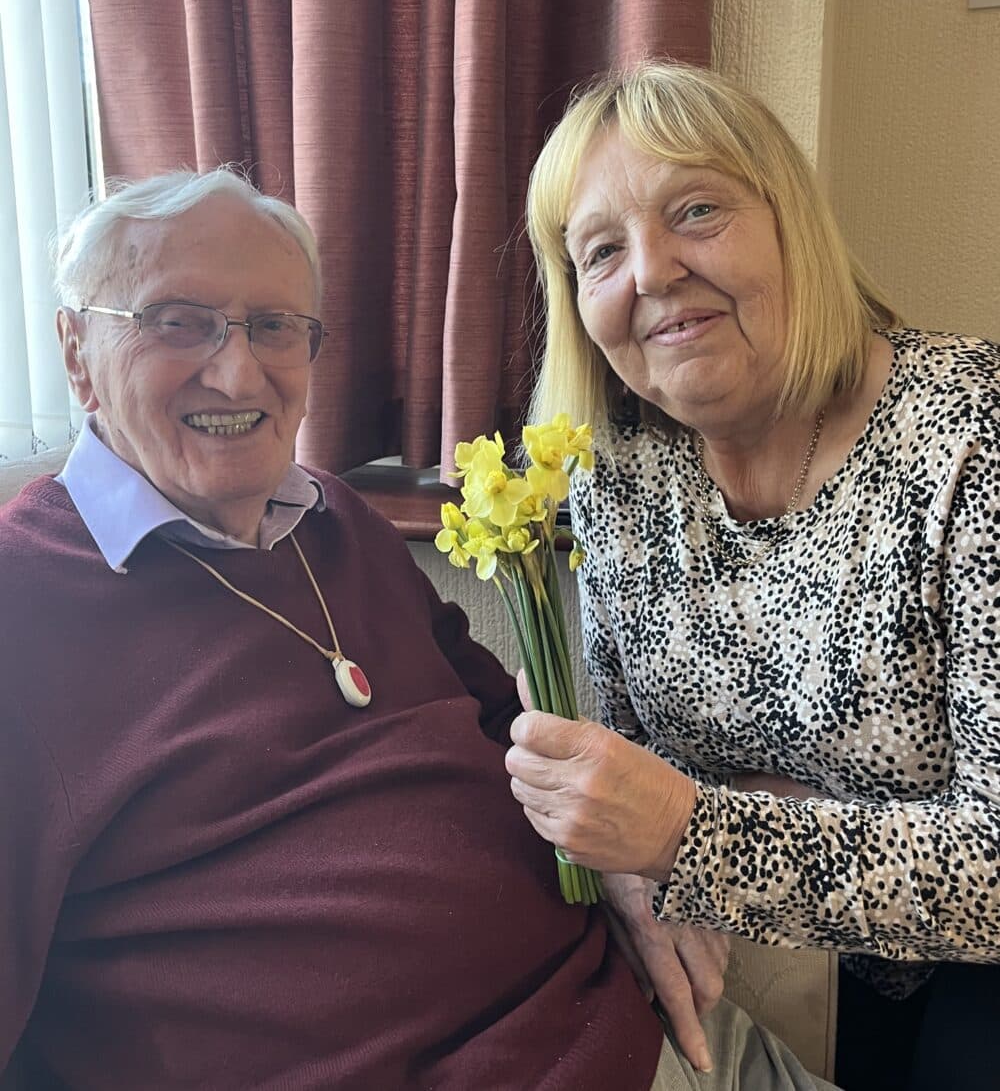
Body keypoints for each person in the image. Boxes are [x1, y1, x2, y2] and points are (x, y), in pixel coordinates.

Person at [0, 168, 836, 1090]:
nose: (237, 373)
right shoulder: (24, 612)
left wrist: (618, 859)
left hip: (645, 1028)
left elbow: (511, 731)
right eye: (176, 321)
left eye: (274, 326)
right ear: (76, 351)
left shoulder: (335, 522)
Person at [509, 60, 1000, 1091]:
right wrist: (629, 865)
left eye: (696, 211)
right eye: (602, 251)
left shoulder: (970, 436)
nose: (651, 272)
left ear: (790, 224)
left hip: (966, 978)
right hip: (745, 957)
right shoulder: (614, 466)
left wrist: (689, 832)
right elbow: (634, 759)